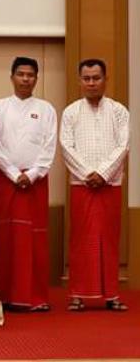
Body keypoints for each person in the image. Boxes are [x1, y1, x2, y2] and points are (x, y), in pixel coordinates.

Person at [60, 58, 130, 312]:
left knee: (109, 239)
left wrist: (103, 173)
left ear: (105, 79)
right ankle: (77, 294)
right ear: (80, 81)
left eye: (96, 78)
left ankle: (112, 295)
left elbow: (123, 145)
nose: (91, 83)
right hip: (82, 184)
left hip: (110, 184)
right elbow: (66, 146)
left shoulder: (119, 111)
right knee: (81, 239)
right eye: (86, 78)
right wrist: (88, 173)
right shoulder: (71, 112)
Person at [0, 57, 57, 311]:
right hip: (7, 181)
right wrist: (12, 172)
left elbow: (49, 146)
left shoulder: (46, 109)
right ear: (12, 77)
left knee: (34, 240)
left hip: (35, 183)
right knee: (6, 238)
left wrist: (33, 173)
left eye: (30, 75)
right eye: (21, 74)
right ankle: (5, 296)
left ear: (36, 79)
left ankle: (35, 297)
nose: (25, 79)